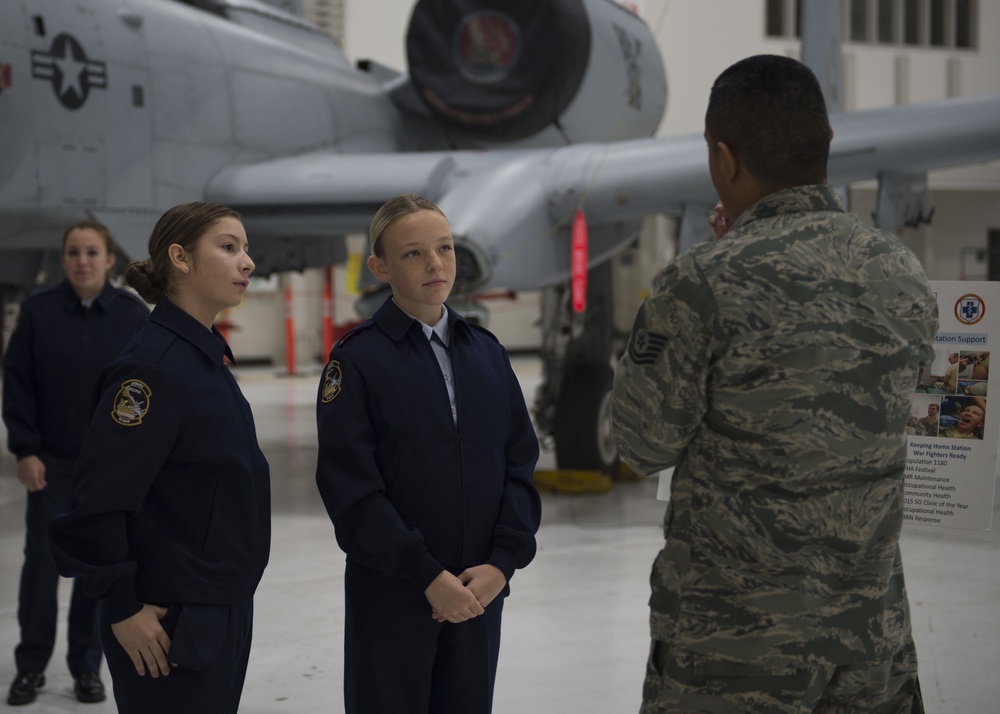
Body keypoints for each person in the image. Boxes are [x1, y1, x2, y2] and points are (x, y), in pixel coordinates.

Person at [611, 55, 938, 712]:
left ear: (724, 160)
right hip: (869, 640)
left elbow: (641, 446)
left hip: (735, 650)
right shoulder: (901, 272)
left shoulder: (700, 283)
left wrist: (719, 263)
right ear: (826, 146)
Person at [315, 194, 541, 714]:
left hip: (478, 595)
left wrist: (502, 563)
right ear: (380, 268)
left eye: (444, 247)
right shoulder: (357, 362)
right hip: (394, 596)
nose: (435, 263)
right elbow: (352, 491)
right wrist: (424, 574)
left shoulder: (487, 353)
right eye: (414, 253)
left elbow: (519, 465)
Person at [46, 202, 271, 714]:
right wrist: (122, 608)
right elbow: (98, 501)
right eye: (229, 247)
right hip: (169, 620)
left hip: (218, 603)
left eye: (246, 248)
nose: (248, 262)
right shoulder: (152, 371)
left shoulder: (201, 358)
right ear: (181, 258)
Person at [2, 220, 149, 706]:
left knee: (97, 569)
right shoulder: (39, 313)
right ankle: (30, 665)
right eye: (73, 252)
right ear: (63, 260)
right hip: (53, 465)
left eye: (92, 252)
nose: (82, 261)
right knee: (41, 567)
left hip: (107, 473)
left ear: (109, 260)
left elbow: (145, 390)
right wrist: (25, 449)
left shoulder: (131, 315)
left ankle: (87, 665)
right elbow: (18, 384)